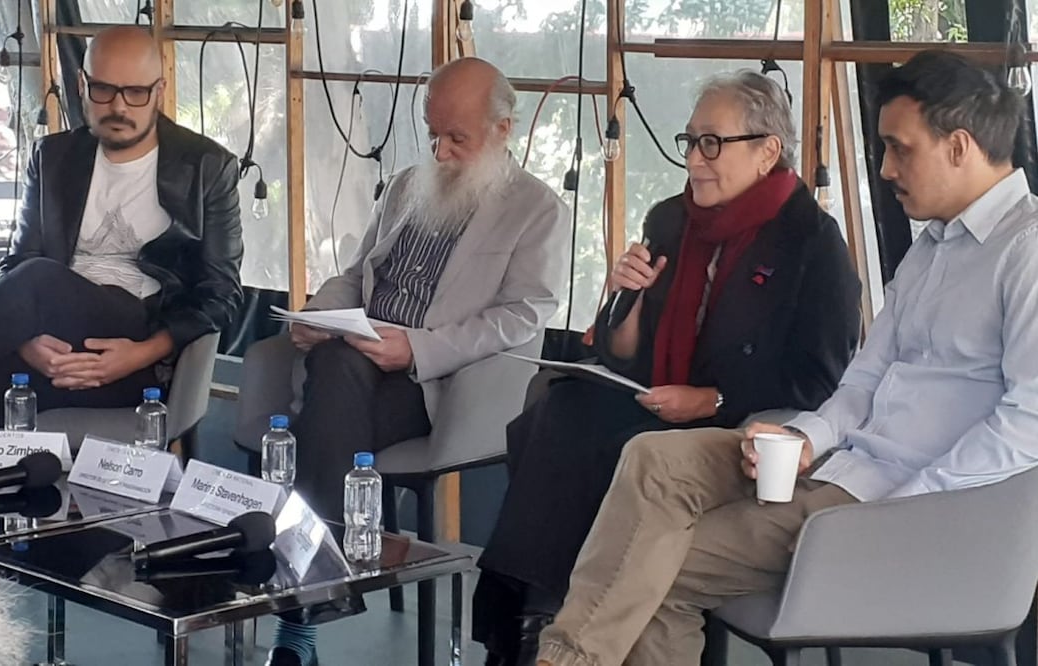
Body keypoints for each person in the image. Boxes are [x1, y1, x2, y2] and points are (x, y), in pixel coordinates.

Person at [534, 49, 1038, 666]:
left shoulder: (1026, 254)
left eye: (899, 148)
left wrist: (911, 503)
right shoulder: (931, 247)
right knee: (650, 460)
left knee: (650, 566)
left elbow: (1028, 424)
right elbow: (862, 381)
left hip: (908, 505)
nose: (883, 169)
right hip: (839, 464)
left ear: (959, 147)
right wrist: (806, 439)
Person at [474, 70, 862, 665]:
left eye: (714, 143)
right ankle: (532, 614)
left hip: (737, 421)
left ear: (767, 152)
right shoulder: (671, 220)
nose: (696, 161)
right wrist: (624, 297)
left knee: (618, 448)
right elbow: (623, 350)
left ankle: (542, 629)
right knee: (558, 409)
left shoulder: (812, 242)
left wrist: (710, 400)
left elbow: (819, 377)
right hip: (654, 396)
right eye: (690, 141)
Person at [260, 57, 571, 666]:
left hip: (436, 384)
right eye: (434, 135)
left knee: (322, 399)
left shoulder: (537, 210)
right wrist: (317, 315)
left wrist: (417, 349)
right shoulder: (408, 185)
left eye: (459, 137)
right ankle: (322, 581)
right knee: (335, 368)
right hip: (355, 359)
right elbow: (355, 275)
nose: (443, 152)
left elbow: (523, 315)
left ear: (502, 130)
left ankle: (301, 605)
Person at [0, 25, 243, 426]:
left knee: (37, 277)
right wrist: (24, 344)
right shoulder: (53, 157)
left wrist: (141, 354)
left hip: (137, 350)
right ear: (81, 84)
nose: (119, 107)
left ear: (159, 90)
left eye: (136, 93)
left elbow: (221, 294)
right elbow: (16, 264)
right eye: (104, 90)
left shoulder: (207, 167)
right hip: (53, 345)